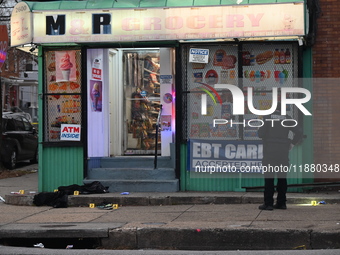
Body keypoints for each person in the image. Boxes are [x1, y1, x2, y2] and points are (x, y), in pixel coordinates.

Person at [258, 104, 303, 210]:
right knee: (282, 178)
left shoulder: (267, 117)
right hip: (283, 152)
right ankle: (281, 203)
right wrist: (292, 143)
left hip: (269, 152)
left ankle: (268, 203)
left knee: (269, 178)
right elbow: (299, 131)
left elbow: (261, 134)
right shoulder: (287, 118)